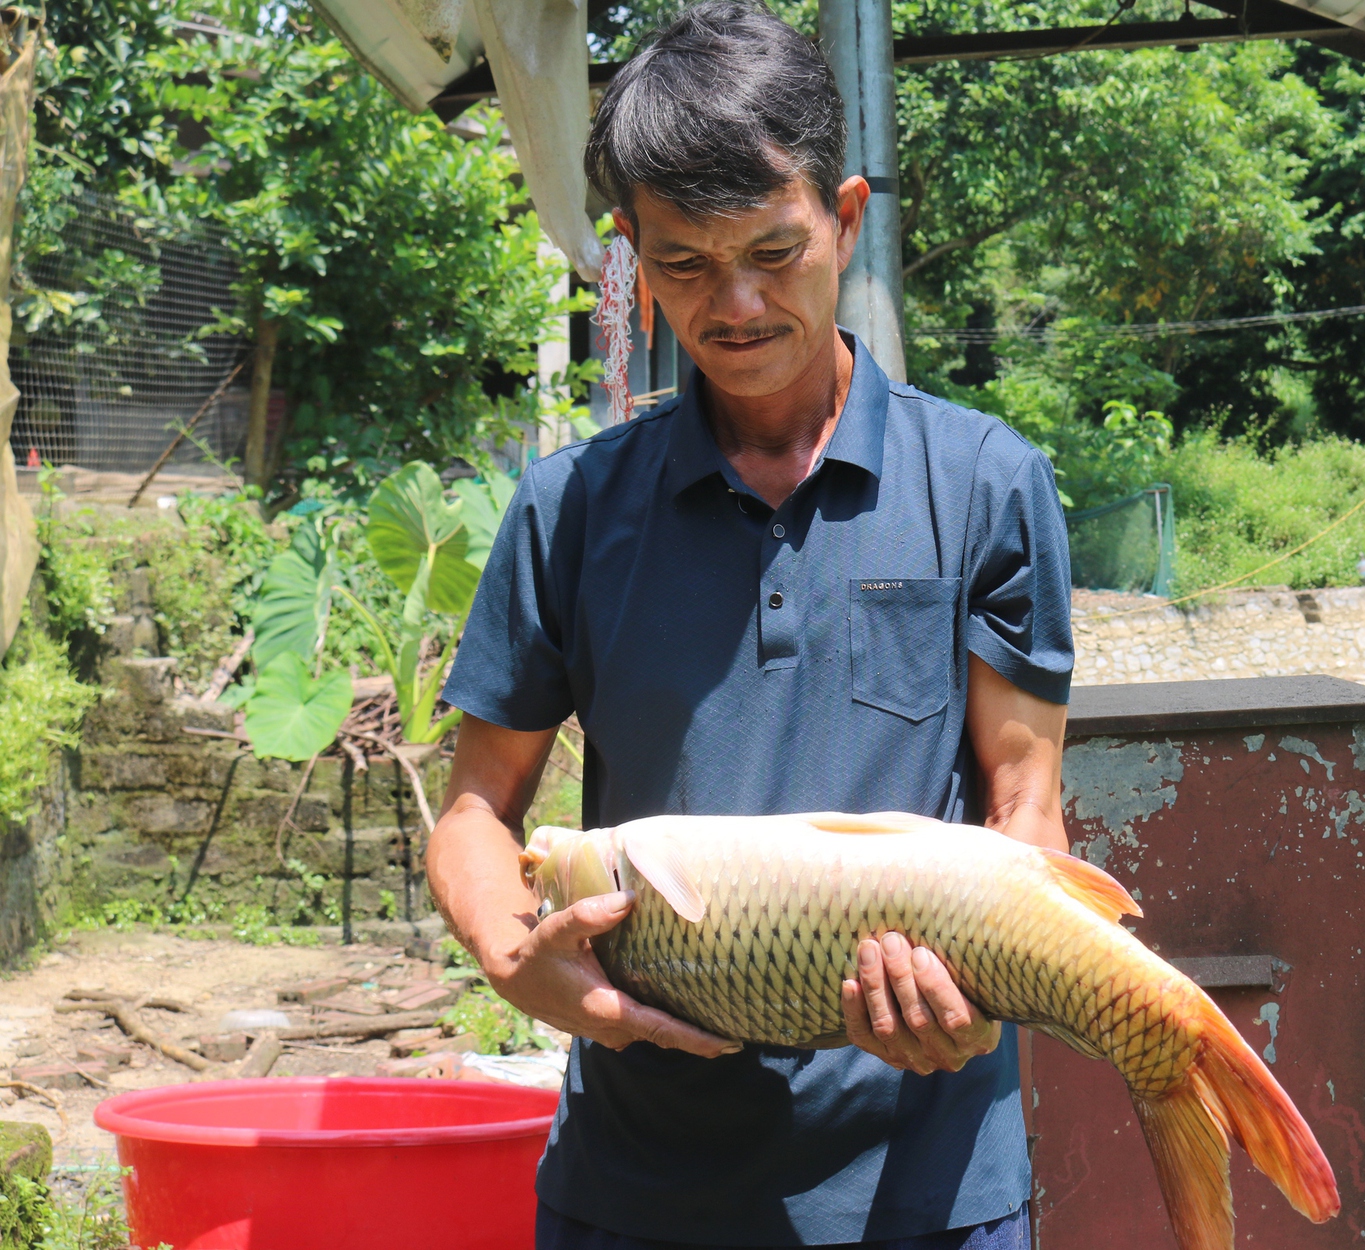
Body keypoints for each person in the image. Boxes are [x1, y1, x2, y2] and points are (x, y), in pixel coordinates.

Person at [426, 3, 1074, 1248]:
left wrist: (981, 991)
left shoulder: (989, 483)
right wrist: (519, 958)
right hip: (636, 1186)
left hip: (925, 1188)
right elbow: (473, 811)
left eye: (774, 251)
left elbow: (1023, 806)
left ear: (846, 214)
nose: (733, 304)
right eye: (682, 264)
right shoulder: (570, 509)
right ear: (628, 250)